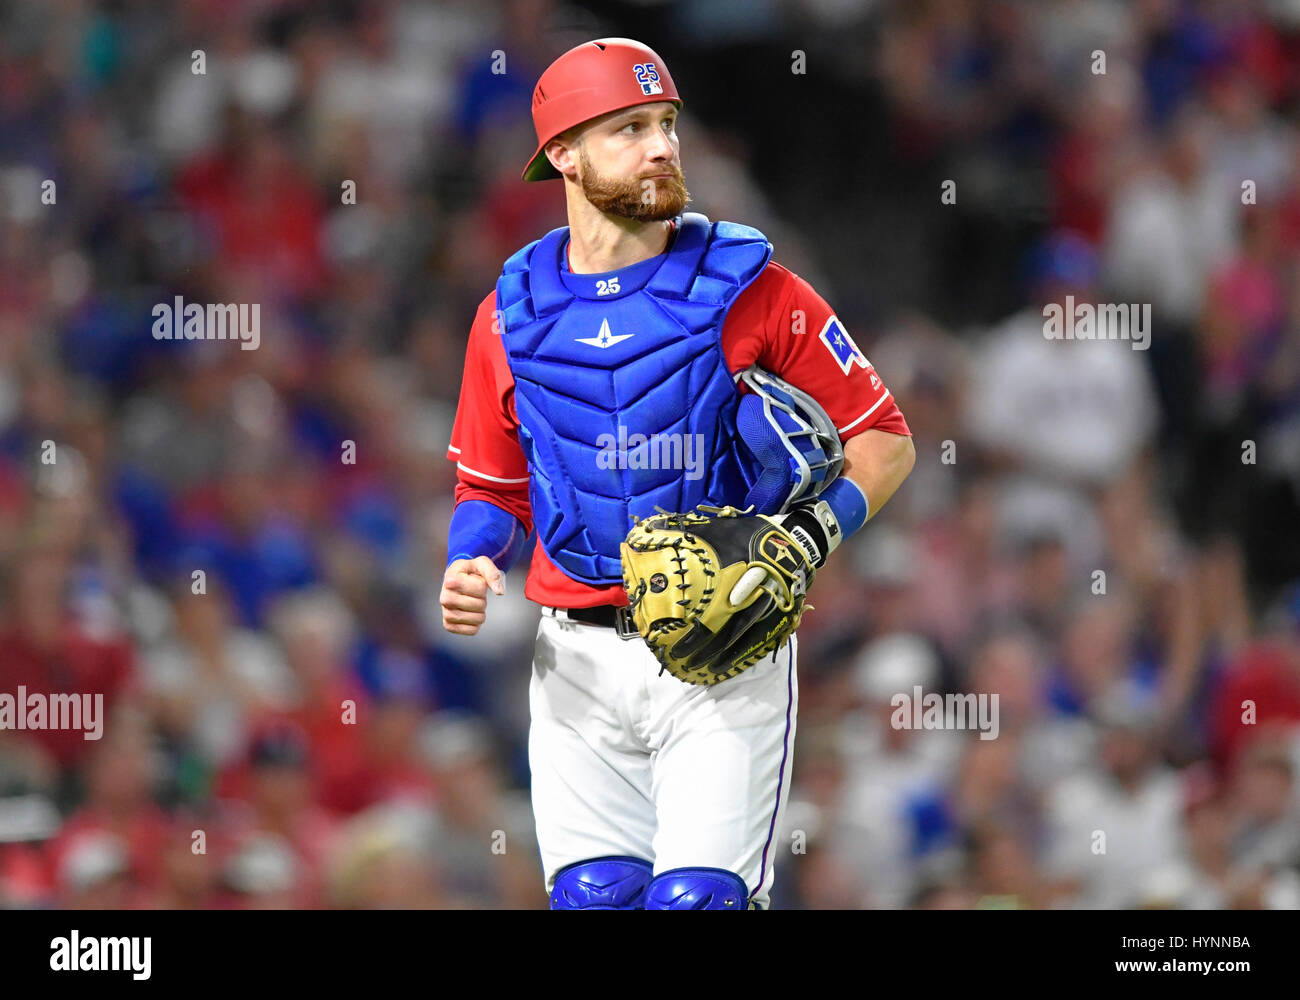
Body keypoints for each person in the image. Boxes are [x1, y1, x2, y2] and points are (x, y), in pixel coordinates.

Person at [440, 38, 915, 909]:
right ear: (564, 155)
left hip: (723, 652)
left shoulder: (752, 286)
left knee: (697, 900)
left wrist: (806, 537)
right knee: (595, 899)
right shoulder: (509, 313)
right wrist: (472, 558)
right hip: (573, 658)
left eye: (666, 123)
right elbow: (491, 484)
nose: (662, 145)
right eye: (628, 128)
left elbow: (882, 437)